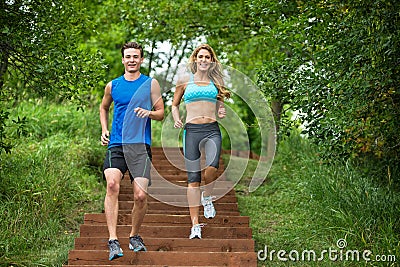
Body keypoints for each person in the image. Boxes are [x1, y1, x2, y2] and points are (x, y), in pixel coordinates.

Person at [100, 41, 164, 260]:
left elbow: (161, 112)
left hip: (140, 146)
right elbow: (103, 107)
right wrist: (104, 129)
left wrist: (148, 113)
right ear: (123, 59)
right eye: (128, 56)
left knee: (140, 196)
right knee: (112, 184)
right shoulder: (113, 85)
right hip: (116, 144)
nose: (132, 60)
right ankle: (113, 240)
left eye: (135, 56)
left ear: (141, 59)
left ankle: (134, 235)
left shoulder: (150, 84)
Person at [171, 44, 230, 239]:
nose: (204, 60)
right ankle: (195, 224)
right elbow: (174, 104)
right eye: (200, 56)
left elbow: (221, 108)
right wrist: (176, 117)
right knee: (193, 179)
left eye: (207, 57)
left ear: (212, 61)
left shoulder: (216, 82)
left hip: (212, 129)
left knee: (212, 168)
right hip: (192, 131)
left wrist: (221, 111)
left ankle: (207, 197)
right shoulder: (185, 81)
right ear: (195, 60)